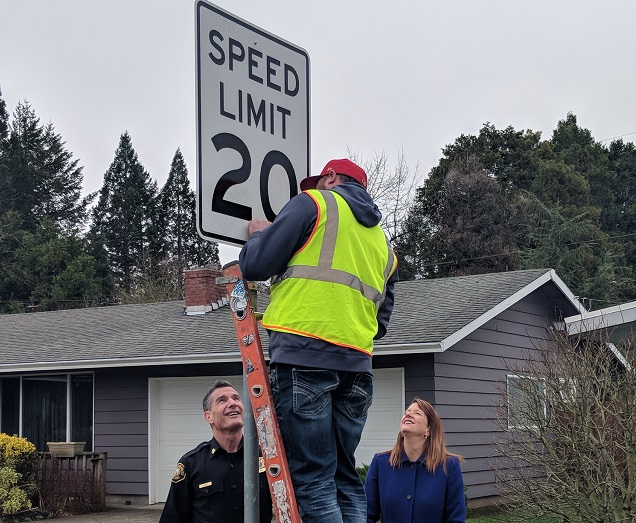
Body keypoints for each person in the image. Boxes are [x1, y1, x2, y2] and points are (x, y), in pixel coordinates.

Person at [239, 158, 398, 523]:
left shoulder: (315, 203)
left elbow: (256, 265)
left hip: (303, 355)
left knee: (313, 480)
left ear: (330, 178)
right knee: (344, 477)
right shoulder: (383, 245)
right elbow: (380, 321)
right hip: (357, 368)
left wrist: (262, 234)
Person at [159, 380, 272, 523]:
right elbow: (173, 518)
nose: (233, 403)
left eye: (236, 398)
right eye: (222, 400)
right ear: (208, 416)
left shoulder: (267, 459)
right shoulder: (191, 464)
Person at [364, 398, 466, 523]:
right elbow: (365, 515)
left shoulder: (449, 466)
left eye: (417, 413)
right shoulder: (381, 463)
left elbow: (456, 519)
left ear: (429, 429)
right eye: (407, 412)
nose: (408, 414)